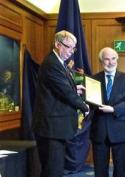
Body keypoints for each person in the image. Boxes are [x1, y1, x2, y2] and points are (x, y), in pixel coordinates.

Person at [32, 30, 89, 177]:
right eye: (69, 47)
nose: (72, 51)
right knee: (52, 171)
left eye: (74, 48)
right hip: (51, 129)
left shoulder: (59, 62)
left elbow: (58, 88)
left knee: (55, 169)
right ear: (58, 44)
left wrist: (74, 88)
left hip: (56, 128)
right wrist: (84, 106)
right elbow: (65, 93)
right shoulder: (52, 63)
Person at [90, 47, 125, 177]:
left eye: (113, 59)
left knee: (121, 169)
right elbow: (90, 103)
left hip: (120, 127)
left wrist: (114, 109)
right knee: (100, 169)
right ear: (101, 61)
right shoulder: (93, 79)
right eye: (106, 59)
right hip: (100, 129)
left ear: (117, 59)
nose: (110, 62)